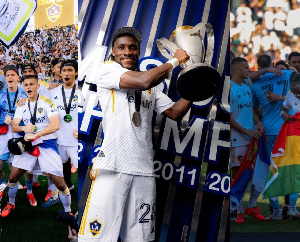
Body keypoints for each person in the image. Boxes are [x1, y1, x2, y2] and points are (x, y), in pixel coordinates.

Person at [78, 27, 191, 241]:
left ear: (138, 52)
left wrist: (196, 87)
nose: (127, 52)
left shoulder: (154, 86)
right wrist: (174, 61)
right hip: (112, 166)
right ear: (113, 51)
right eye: (121, 48)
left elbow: (175, 113)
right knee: (97, 237)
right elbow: (143, 81)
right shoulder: (106, 70)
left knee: (141, 238)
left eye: (132, 48)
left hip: (144, 170)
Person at [1, 75, 71, 217]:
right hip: (27, 145)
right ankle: (11, 203)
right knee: (13, 178)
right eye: (26, 85)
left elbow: (55, 125)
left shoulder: (47, 103)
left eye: (31, 84)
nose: (28, 87)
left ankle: (68, 211)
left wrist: (36, 135)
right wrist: (24, 129)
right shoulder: (22, 105)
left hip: (46, 144)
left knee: (61, 184)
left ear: (38, 86)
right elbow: (14, 127)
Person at [251, 54, 295, 220]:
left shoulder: (255, 85)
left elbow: (255, 109)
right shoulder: (288, 75)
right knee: (290, 168)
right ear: (273, 63)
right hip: (288, 128)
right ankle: (290, 208)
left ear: (258, 65)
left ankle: (276, 212)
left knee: (272, 170)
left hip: (268, 130)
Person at [230, 57, 265, 223]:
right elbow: (228, 118)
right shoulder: (229, 88)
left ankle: (250, 206)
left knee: (254, 174)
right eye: (246, 68)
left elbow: (250, 109)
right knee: (238, 175)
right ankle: (238, 211)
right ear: (237, 70)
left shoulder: (246, 87)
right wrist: (246, 132)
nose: (249, 70)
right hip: (237, 140)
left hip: (252, 138)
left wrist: (258, 123)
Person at [44, 60, 78, 209]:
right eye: (64, 70)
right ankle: (56, 195)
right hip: (58, 138)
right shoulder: (53, 92)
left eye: (70, 70)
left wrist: (81, 131)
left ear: (76, 72)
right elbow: (39, 105)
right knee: (56, 169)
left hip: (77, 139)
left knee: (84, 170)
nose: (66, 73)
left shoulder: (82, 91)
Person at [0, 65, 27, 200]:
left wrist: (16, 122)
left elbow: (30, 116)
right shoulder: (1, 94)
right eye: (7, 75)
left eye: (12, 75)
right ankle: (2, 187)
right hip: (4, 133)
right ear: (5, 79)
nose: (10, 77)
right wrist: (3, 120)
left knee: (16, 168)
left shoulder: (24, 94)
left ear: (18, 77)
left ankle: (17, 195)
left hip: (19, 133)